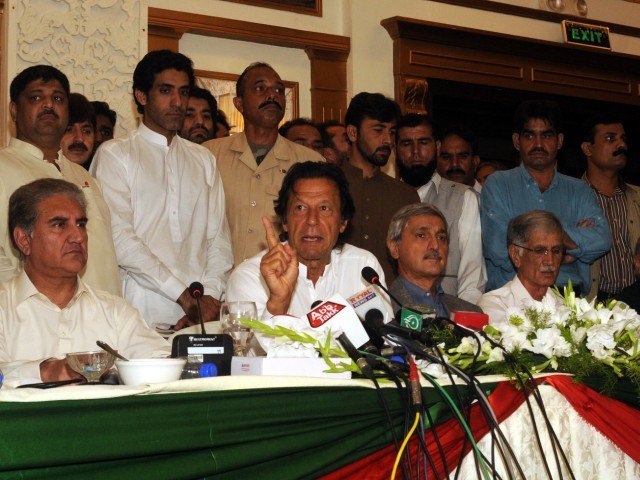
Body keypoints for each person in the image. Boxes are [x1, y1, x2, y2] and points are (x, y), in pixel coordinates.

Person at [92, 50, 233, 330]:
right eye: (166, 91)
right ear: (141, 96)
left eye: (183, 92)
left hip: (199, 318)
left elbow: (218, 239)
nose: (178, 102)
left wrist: (208, 298)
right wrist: (185, 297)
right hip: (138, 312)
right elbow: (120, 239)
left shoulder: (202, 158)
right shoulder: (116, 154)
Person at [0, 179, 170, 387]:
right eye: (59, 225)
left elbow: (161, 364)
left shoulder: (114, 311)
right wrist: (47, 371)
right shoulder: (3, 308)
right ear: (24, 240)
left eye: (81, 224)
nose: (78, 236)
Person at [0, 65, 120, 295]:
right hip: (36, 320)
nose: (49, 105)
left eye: (58, 98)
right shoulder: (3, 165)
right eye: (36, 97)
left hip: (103, 317)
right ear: (14, 110)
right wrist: (34, 304)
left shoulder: (82, 175)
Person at [226, 161, 390, 321]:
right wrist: (278, 304)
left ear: (343, 222)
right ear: (284, 222)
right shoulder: (250, 276)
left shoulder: (362, 267)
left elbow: (388, 341)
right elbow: (249, 347)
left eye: (324, 208)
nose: (312, 220)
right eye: (300, 208)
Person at [481, 100, 611, 294]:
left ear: (559, 141)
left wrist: (532, 244)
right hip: (512, 300)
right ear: (517, 141)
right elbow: (499, 250)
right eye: (530, 135)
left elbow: (602, 239)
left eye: (546, 135)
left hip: (569, 300)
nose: (538, 144)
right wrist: (567, 249)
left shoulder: (579, 190)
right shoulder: (498, 184)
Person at [203, 62, 324, 265]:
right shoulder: (209, 155)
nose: (272, 95)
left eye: (278, 90)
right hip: (218, 288)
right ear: (239, 104)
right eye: (260, 88)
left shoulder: (310, 162)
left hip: (283, 284)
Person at [395, 114, 486, 304]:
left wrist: (459, 325)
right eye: (406, 144)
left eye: (423, 142)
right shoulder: (385, 197)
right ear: (396, 149)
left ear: (437, 147)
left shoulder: (463, 198)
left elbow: (472, 281)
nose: (415, 152)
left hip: (446, 319)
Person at [341, 92, 420, 282]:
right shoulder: (326, 186)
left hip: (390, 304)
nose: (387, 140)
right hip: (332, 304)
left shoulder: (406, 196)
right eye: (378, 130)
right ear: (353, 133)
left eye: (392, 132)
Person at [580, 114, 640, 301]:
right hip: (592, 304)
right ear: (588, 148)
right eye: (610, 139)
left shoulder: (637, 196)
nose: (621, 145)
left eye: (623, 139)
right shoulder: (573, 198)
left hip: (635, 299)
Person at [387, 204, 482, 318]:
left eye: (441, 238)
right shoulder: (382, 311)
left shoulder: (472, 313)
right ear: (395, 248)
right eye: (421, 235)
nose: (435, 245)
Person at [478, 211, 565, 323]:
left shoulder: (565, 307)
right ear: (516, 255)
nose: (550, 261)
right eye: (539, 251)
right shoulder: (494, 304)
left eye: (556, 251)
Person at [436, 125, 482, 194]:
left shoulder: (488, 200)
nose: (454, 164)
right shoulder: (426, 198)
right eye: (446, 157)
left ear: (475, 161)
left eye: (463, 157)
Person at [60, 93, 95, 169]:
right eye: (69, 130)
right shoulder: (37, 177)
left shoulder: (94, 181)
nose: (79, 139)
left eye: (86, 131)